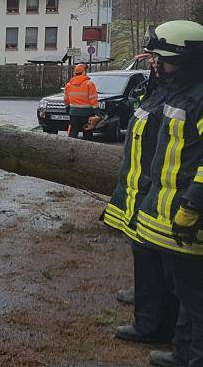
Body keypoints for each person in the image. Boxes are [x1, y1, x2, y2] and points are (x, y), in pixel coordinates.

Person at [132, 20, 203, 367]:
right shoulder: (182, 90)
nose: (159, 66)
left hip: (191, 212)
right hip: (172, 210)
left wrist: (193, 202)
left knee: (195, 297)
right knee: (185, 292)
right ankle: (184, 353)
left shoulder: (199, 97)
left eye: (165, 60)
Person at [101, 57, 178, 346]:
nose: (153, 63)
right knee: (144, 257)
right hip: (140, 190)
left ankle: (156, 325)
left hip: (160, 191)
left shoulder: (184, 96)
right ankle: (149, 313)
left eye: (158, 58)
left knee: (164, 265)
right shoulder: (158, 91)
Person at [64, 63, 99, 139]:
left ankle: (70, 148)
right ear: (84, 72)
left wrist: (68, 108)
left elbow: (66, 100)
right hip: (87, 113)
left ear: (75, 73)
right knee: (87, 132)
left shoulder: (69, 85)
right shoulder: (89, 84)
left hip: (73, 112)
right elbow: (93, 99)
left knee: (73, 133)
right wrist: (97, 111)